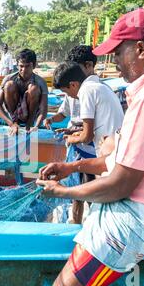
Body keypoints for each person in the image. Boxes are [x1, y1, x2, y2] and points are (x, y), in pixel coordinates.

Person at [36, 8, 144, 286]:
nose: (113, 62)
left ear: (140, 49)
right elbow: (121, 160)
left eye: (117, 53)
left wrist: (60, 192)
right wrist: (72, 168)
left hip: (143, 217)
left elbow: (120, 184)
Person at [44, 45, 100, 224]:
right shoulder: (73, 87)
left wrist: (73, 135)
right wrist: (53, 120)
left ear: (88, 66)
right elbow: (65, 113)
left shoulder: (92, 90)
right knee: (77, 185)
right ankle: (75, 220)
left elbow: (90, 130)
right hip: (77, 140)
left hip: (88, 143)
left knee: (87, 184)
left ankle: (88, 220)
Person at [52, 60, 124, 156]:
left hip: (109, 152)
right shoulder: (97, 86)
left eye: (66, 92)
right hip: (115, 146)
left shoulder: (86, 91)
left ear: (73, 84)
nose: (68, 96)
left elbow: (87, 137)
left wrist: (71, 139)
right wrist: (78, 132)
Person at [0, 49, 48, 136]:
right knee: (9, 85)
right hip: (13, 116)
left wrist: (36, 126)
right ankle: (15, 122)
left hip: (31, 117)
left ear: (33, 65)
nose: (24, 69)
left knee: (33, 88)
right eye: (21, 66)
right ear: (17, 65)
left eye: (27, 66)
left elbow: (43, 109)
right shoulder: (8, 78)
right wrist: (11, 124)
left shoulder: (40, 82)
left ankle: (29, 124)